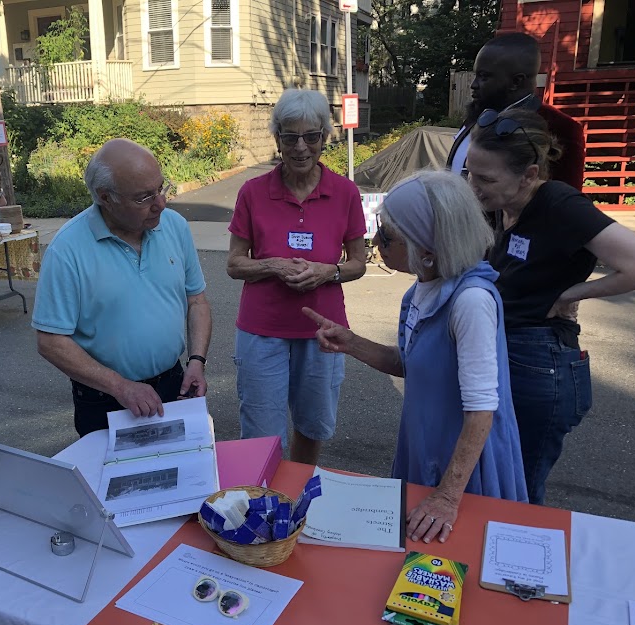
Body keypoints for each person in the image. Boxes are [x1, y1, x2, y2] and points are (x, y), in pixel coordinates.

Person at [304, 171, 528, 544]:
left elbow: (481, 410)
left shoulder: (470, 301)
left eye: (388, 235)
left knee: (457, 562)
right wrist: (350, 342)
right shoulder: (425, 288)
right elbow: (409, 365)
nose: (376, 241)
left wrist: (447, 496)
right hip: (427, 445)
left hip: (464, 467)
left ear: (428, 249)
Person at [467, 108, 635, 505]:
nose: (473, 185)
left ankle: (522, 565)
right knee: (493, 480)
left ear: (529, 175)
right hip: (507, 353)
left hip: (541, 363)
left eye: (485, 178)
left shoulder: (558, 203)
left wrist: (572, 294)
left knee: (518, 488)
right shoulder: (505, 205)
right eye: (470, 172)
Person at [33, 138, 212, 437]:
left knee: (183, 476)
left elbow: (197, 301)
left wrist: (196, 361)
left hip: (174, 383)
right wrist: (120, 386)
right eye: (144, 197)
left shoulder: (175, 226)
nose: (161, 203)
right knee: (117, 482)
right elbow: (50, 341)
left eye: (161, 188)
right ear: (106, 197)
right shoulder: (68, 249)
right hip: (104, 398)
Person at [226, 89, 367, 465]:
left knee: (312, 424)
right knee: (261, 433)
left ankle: (300, 496)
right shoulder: (253, 193)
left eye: (311, 136)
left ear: (325, 136)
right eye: (290, 137)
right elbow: (235, 263)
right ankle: (264, 505)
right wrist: (272, 265)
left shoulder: (345, 193)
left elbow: (358, 263)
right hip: (262, 331)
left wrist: (328, 272)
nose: (301, 147)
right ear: (277, 139)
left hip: (322, 333)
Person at [448, 32, 585, 190]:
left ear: (516, 82)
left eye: (484, 77)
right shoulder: (479, 114)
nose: (474, 84)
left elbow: (564, 201)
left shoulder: (558, 128)